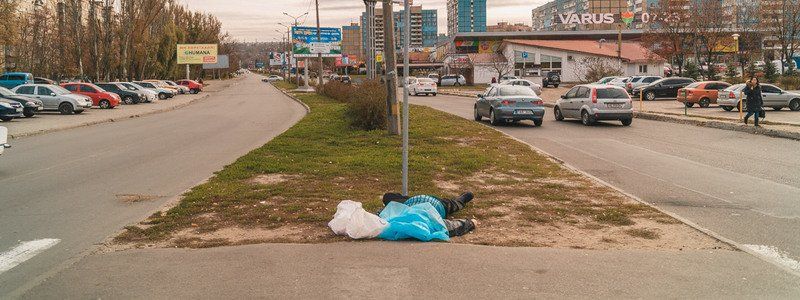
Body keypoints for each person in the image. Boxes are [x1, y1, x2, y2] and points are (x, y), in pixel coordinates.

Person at [381, 192, 477, 237]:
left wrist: (471, 223)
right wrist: (471, 223)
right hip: (435, 204)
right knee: (452, 205)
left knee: (388, 196)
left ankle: (460, 201)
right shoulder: (432, 223)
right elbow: (453, 226)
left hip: (409, 202)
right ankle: (461, 200)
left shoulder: (396, 222)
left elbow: (381, 217)